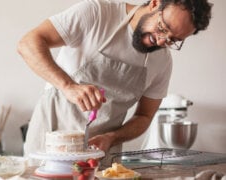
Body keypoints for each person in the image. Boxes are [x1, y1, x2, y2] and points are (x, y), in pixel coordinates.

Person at [17, 0, 212, 165]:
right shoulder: (98, 14)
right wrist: (68, 86)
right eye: (163, 28)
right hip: (48, 144)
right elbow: (28, 43)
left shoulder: (162, 62)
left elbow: (144, 116)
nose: (161, 41)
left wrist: (111, 138)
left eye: (173, 40)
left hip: (100, 158)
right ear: (154, 4)